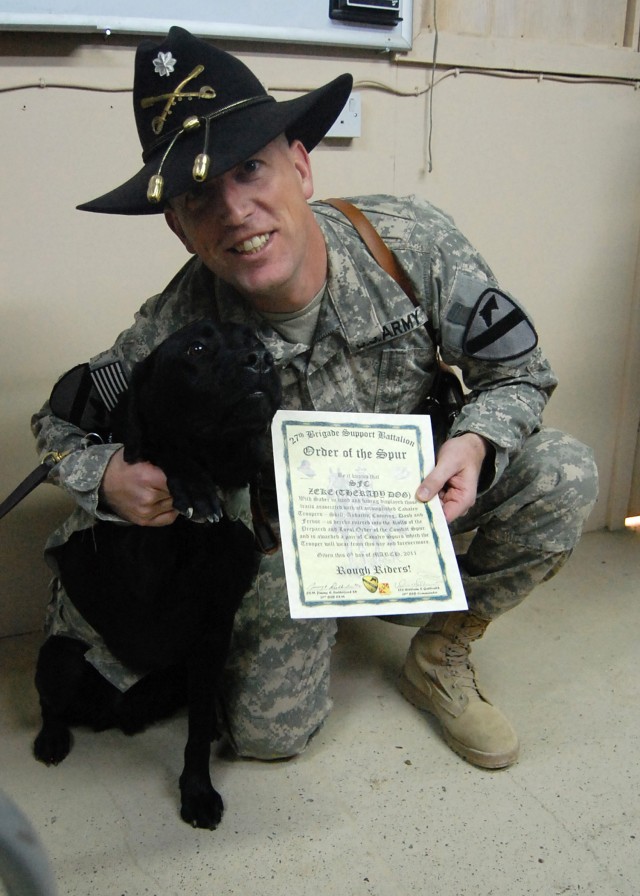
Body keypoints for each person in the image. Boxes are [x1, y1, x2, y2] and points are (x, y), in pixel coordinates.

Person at [32, 26, 598, 770]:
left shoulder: (410, 244)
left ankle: (441, 652)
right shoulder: (178, 320)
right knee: (270, 741)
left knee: (564, 472)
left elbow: (521, 372)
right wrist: (106, 476)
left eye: (251, 172)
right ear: (178, 225)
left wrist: (476, 441)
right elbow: (57, 426)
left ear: (299, 167)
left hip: (419, 503)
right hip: (288, 547)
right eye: (200, 197)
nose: (234, 211)